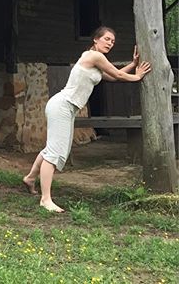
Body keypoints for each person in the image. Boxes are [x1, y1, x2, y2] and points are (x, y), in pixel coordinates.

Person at [23, 26, 151, 213]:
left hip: (67, 108)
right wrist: (138, 76)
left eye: (113, 41)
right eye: (107, 39)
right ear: (95, 40)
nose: (110, 43)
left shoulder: (95, 61)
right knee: (55, 153)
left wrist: (133, 65)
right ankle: (45, 199)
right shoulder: (95, 56)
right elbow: (117, 74)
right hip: (62, 105)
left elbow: (113, 77)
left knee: (55, 149)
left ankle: (30, 178)